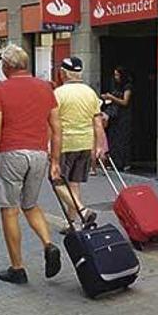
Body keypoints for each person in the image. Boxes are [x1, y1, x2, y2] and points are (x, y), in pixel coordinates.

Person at [0, 44, 63, 285]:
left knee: (9, 209)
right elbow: (57, 129)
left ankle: (17, 268)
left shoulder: (0, 90)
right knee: (31, 204)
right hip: (38, 154)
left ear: (7, 66)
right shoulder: (46, 88)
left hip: (11, 154)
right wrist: (55, 160)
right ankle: (48, 244)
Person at [53, 57, 106, 233]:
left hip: (65, 144)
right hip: (85, 143)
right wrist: (99, 146)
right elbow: (98, 123)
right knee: (74, 183)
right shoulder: (90, 93)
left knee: (57, 180)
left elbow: (52, 123)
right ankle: (71, 223)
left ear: (64, 74)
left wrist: (48, 145)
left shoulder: (58, 94)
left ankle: (82, 210)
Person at [101, 66, 133, 171]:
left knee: (122, 139)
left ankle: (125, 162)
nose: (116, 77)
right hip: (115, 115)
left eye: (117, 75)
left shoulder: (128, 86)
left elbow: (125, 101)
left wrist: (111, 98)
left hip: (124, 116)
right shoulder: (115, 85)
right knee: (113, 139)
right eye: (115, 75)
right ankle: (115, 162)